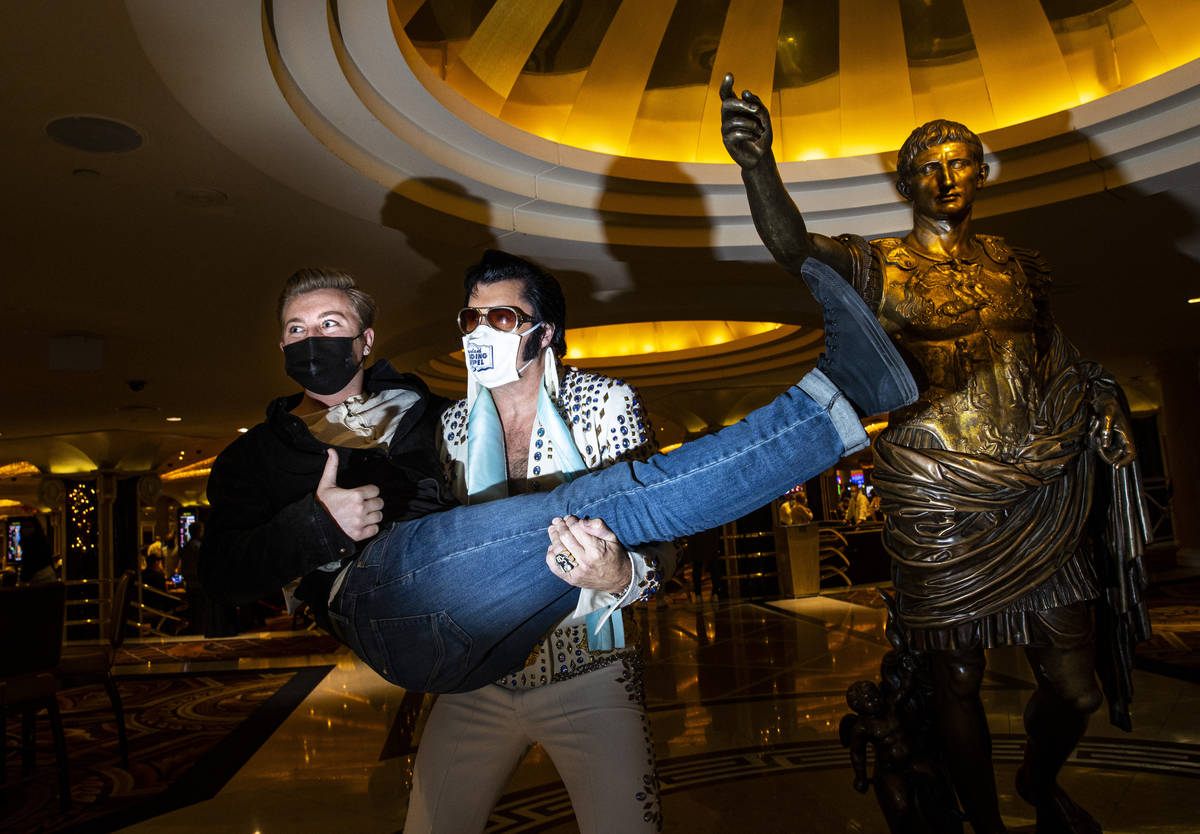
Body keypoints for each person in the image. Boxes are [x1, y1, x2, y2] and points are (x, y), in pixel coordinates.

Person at [720, 72, 1150, 833]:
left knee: (1075, 686)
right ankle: (981, 825)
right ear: (904, 181)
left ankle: (1035, 781)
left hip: (1041, 485)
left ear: (980, 173)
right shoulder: (881, 264)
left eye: (960, 162)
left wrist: (1106, 395)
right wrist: (759, 167)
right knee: (954, 675)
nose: (947, 177)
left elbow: (1063, 356)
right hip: (937, 489)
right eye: (929, 166)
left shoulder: (1015, 265)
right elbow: (794, 249)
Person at [200, 253, 916, 695]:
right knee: (600, 504)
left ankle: (841, 400)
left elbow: (447, 519)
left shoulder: (424, 414)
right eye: (296, 330)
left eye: (329, 325)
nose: (312, 341)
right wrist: (314, 527)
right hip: (377, 603)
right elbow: (221, 572)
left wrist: (618, 578)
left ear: (364, 340)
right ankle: (839, 400)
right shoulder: (255, 456)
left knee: (599, 509)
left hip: (512, 642)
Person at [405, 252, 672, 833]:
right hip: (478, 671)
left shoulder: (606, 404)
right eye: (470, 319)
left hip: (590, 666)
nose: (479, 332)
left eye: (500, 318)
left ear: (543, 331)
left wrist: (620, 574)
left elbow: (660, 535)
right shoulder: (452, 425)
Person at [178, 521, 207, 634]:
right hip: (199, 584)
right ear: (199, 532)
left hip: (189, 584)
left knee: (193, 612)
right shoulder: (198, 547)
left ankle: (195, 630)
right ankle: (200, 630)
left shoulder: (186, 547)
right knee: (200, 611)